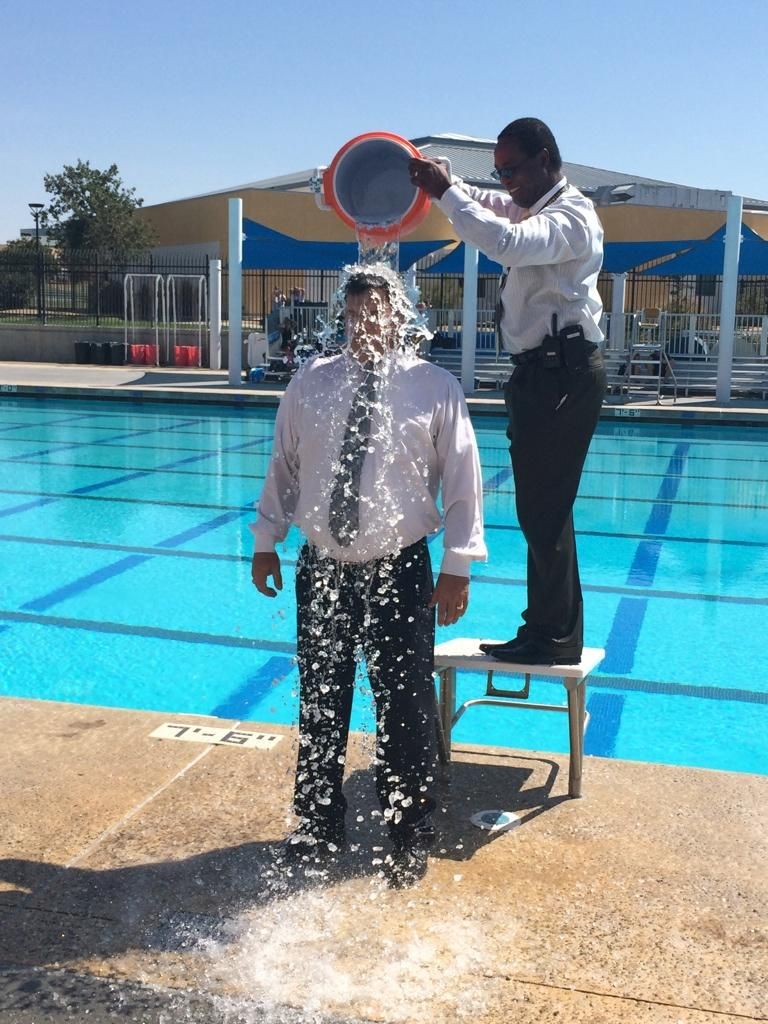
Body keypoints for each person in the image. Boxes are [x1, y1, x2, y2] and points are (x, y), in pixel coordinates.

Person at [250, 265, 486, 886]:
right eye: (354, 315)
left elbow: (463, 481)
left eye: (376, 313)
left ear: (399, 315)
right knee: (321, 702)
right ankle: (316, 824)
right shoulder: (312, 382)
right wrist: (265, 541)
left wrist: (457, 566)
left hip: (400, 568)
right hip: (323, 566)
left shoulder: (434, 387)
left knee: (403, 707)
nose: (365, 326)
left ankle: (409, 831)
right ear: (342, 317)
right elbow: (285, 463)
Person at [409, 117, 606, 667]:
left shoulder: (571, 217)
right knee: (542, 509)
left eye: (512, 170)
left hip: (562, 374)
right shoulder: (536, 205)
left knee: (544, 509)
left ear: (546, 158)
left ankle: (553, 635)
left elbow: (507, 242)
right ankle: (550, 629)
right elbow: (495, 209)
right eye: (499, 173)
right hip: (540, 374)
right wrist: (451, 184)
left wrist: (445, 192)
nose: (506, 182)